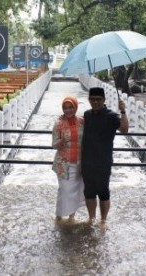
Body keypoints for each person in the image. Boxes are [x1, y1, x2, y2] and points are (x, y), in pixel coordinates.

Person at [81, 87, 128, 226]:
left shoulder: (111, 116)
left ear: (104, 100)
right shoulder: (87, 114)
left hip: (103, 160)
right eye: (93, 99)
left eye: (98, 99)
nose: (95, 102)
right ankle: (91, 219)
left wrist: (123, 111)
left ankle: (103, 220)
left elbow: (124, 130)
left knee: (103, 191)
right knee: (89, 191)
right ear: (89, 99)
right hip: (87, 160)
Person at [52, 96, 85, 223]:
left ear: (76, 107)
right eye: (65, 108)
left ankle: (72, 216)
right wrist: (62, 141)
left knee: (76, 190)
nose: (68, 110)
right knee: (64, 190)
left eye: (71, 107)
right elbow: (54, 144)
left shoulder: (82, 121)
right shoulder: (59, 124)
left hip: (79, 163)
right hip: (64, 163)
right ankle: (59, 216)